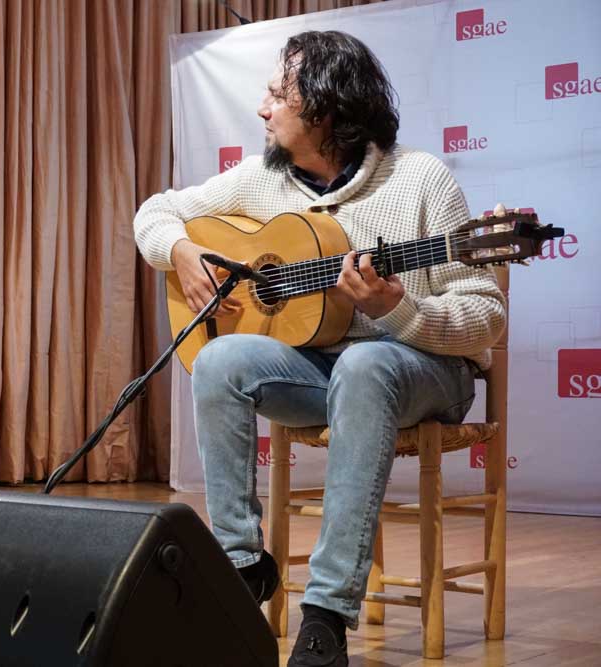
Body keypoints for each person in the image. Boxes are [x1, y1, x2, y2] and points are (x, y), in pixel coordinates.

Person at [133, 31, 505, 667]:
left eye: (278, 95)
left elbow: (485, 318)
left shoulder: (421, 180)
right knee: (218, 360)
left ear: (327, 110)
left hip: (426, 369)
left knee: (365, 361)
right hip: (324, 371)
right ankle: (240, 566)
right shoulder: (263, 179)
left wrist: (395, 310)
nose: (262, 108)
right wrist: (184, 252)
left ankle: (327, 615)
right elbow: (154, 213)